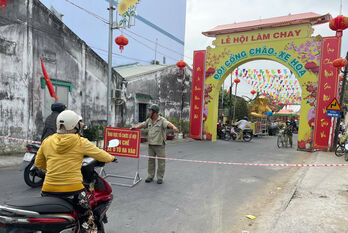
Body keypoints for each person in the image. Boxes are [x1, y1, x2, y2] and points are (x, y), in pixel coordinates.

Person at [35, 110, 115, 233]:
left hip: (48, 189)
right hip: (74, 191)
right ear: (73, 125)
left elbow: (38, 163)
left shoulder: (47, 141)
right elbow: (101, 155)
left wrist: (53, 170)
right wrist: (112, 158)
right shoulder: (80, 142)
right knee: (87, 219)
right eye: (78, 123)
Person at [131, 104, 179, 184]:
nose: (149, 112)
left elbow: (168, 124)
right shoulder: (149, 120)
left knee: (161, 162)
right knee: (151, 161)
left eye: (150, 111)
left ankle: (160, 177)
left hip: (160, 145)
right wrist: (135, 128)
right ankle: (150, 176)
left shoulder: (162, 120)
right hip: (151, 145)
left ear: (155, 113)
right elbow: (143, 124)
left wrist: (174, 127)